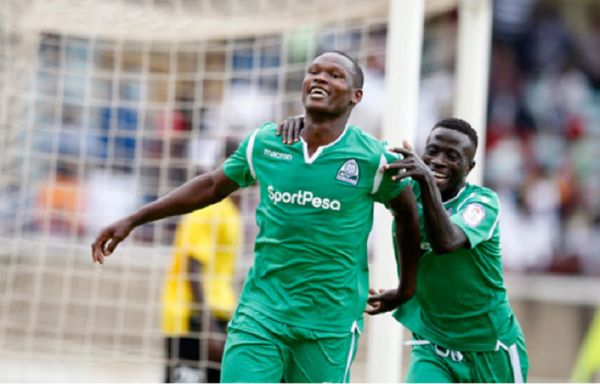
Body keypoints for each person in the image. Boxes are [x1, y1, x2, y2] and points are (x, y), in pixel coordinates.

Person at [92, 50, 421, 383]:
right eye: (314, 71)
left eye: (335, 75)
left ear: (356, 96)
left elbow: (408, 218)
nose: (320, 78)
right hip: (261, 314)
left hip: (330, 322)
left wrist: (406, 288)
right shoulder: (267, 142)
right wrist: (133, 219)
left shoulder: (373, 159)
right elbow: (210, 185)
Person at [368, 118, 529, 383]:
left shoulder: (482, 204)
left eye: (452, 156)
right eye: (432, 151)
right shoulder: (407, 194)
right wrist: (309, 127)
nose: (439, 161)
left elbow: (445, 242)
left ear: (470, 167)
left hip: (490, 348)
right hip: (434, 346)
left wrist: (428, 182)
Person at [162, 140, 242, 383]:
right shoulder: (210, 207)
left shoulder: (229, 210)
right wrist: (208, 330)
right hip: (192, 318)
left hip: (218, 315)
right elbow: (193, 267)